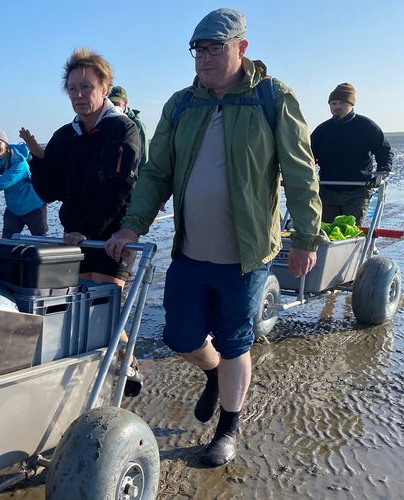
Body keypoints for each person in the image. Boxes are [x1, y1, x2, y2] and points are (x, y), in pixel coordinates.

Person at [105, 8, 324, 467]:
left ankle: (227, 428)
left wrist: (305, 236)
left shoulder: (272, 98)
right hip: (190, 250)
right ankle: (213, 375)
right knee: (180, 337)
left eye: (214, 48)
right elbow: (156, 172)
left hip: (245, 257)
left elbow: (301, 173)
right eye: (197, 49)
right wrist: (133, 223)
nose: (203, 57)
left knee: (235, 343)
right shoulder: (182, 103)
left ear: (241, 48)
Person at [20, 48, 142, 288]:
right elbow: (49, 193)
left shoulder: (123, 130)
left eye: (87, 87)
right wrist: (37, 159)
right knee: (80, 311)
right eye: (72, 89)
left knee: (106, 314)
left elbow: (118, 189)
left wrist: (85, 230)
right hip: (75, 238)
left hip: (113, 238)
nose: (78, 95)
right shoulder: (65, 135)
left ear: (105, 89)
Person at [310, 83, 394, 224]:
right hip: (327, 189)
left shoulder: (366, 126)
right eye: (333, 103)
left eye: (342, 103)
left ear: (351, 104)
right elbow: (309, 156)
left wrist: (382, 171)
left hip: (358, 191)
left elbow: (384, 150)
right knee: (325, 231)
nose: (337, 107)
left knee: (352, 230)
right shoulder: (322, 130)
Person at [108, 86, 150, 173]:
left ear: (125, 102)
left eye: (117, 103)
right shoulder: (104, 122)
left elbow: (144, 158)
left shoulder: (137, 125)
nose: (114, 106)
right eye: (112, 102)